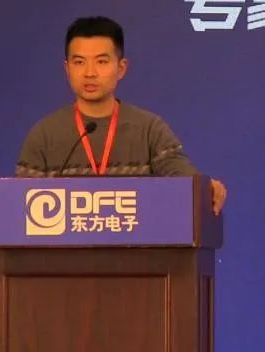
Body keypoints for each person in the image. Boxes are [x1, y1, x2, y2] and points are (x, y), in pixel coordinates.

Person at [15, 16, 227, 215]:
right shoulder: (44, 135)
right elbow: (20, 207)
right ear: (67, 68)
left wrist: (205, 187)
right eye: (79, 62)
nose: (90, 73)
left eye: (101, 61)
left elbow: (182, 178)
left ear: (121, 68)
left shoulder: (149, 129)